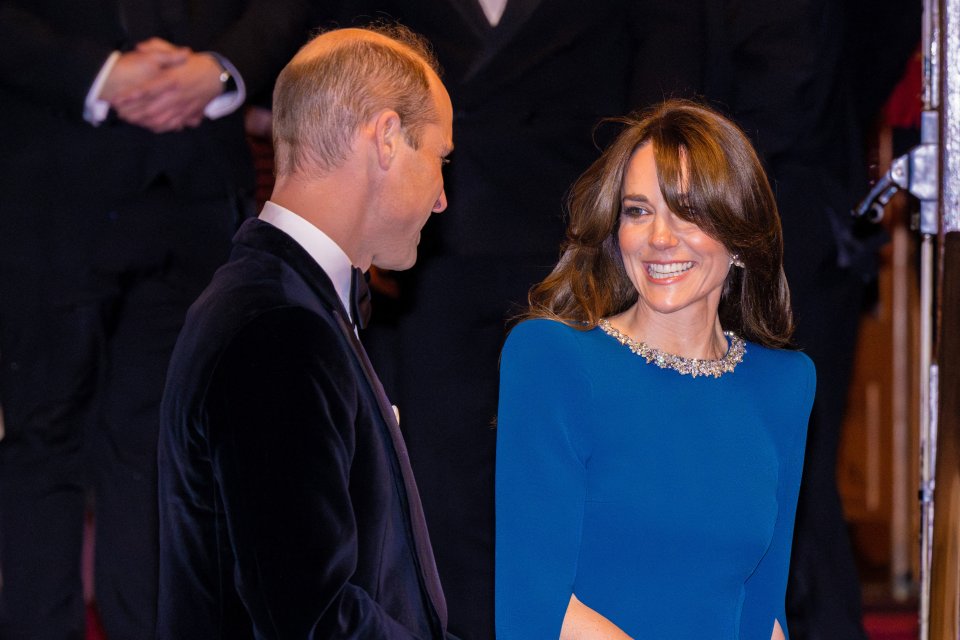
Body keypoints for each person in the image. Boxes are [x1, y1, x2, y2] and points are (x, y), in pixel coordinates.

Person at [335, 3, 702, 635]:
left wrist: (636, 235)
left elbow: (661, 101)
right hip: (429, 260)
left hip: (576, 254)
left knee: (577, 489)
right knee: (439, 493)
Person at [0, 2, 311, 637]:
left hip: (195, 190)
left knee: (162, 449)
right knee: (42, 438)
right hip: (47, 179)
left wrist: (222, 69)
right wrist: (97, 72)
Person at [156, 25, 453, 639]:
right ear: (388, 139)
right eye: (439, 159)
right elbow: (311, 619)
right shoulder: (278, 328)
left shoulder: (284, 303)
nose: (443, 198)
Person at [495, 100, 815, 639]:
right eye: (638, 211)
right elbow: (533, 609)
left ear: (739, 236)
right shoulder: (551, 360)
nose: (660, 239)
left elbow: (765, 612)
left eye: (688, 211)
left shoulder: (784, 384)